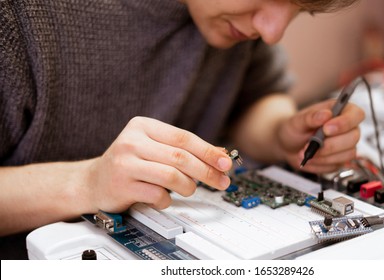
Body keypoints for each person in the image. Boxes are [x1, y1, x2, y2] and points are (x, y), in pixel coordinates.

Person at [0, 0, 364, 259]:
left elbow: (255, 97)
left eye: (300, 10)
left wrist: (280, 133)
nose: (272, 32)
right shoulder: (21, 17)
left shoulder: (237, 25)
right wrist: (85, 183)